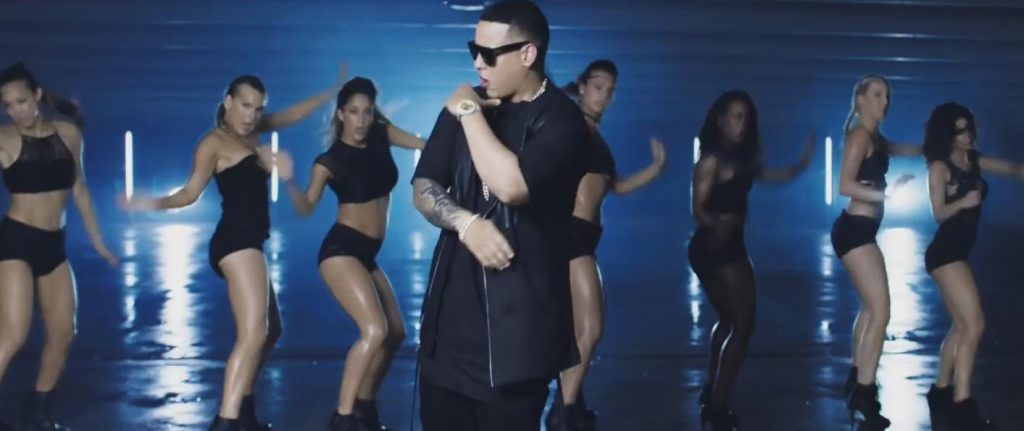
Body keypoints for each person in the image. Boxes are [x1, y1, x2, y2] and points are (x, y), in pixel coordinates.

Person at [123, 68, 343, 430]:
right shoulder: (214, 143)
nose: (251, 115)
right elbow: (189, 193)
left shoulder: (254, 131)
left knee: (272, 331)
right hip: (235, 241)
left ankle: (244, 410)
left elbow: (291, 115)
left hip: (251, 241)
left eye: (258, 108)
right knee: (253, 333)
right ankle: (226, 421)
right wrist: (150, 203)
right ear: (228, 102)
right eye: (244, 105)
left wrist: (331, 92)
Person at [410, 1, 591, 429]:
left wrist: (469, 113)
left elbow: (512, 185)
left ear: (528, 54)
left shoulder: (562, 121)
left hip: (516, 346)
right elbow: (423, 186)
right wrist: (465, 223)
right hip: (446, 341)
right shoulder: (465, 104)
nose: (478, 63)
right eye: (474, 49)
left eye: (489, 54)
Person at [277, 77, 423, 431]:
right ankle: (342, 419)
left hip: (367, 254)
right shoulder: (328, 161)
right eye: (354, 112)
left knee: (396, 333)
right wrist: (288, 180)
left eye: (368, 112)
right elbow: (306, 207)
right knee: (374, 330)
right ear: (340, 114)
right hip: (340, 250)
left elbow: (424, 144)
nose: (361, 120)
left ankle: (365, 409)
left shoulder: (382, 135)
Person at [0, 62, 118, 431]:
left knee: (64, 332)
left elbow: (80, 191)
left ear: (36, 96)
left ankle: (36, 412)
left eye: (21, 101)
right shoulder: (3, 139)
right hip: (16, 242)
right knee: (14, 334)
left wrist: (99, 243)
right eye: (8, 105)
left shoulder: (68, 134)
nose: (16, 111)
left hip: (54, 244)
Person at [688, 90, 813, 430]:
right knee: (743, 325)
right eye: (736, 115)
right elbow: (697, 210)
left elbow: (771, 175)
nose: (742, 123)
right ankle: (717, 407)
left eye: (746, 117)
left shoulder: (741, 160)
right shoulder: (711, 160)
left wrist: (801, 164)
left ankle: (712, 391)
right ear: (720, 120)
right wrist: (721, 224)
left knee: (731, 320)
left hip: (727, 242)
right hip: (716, 246)